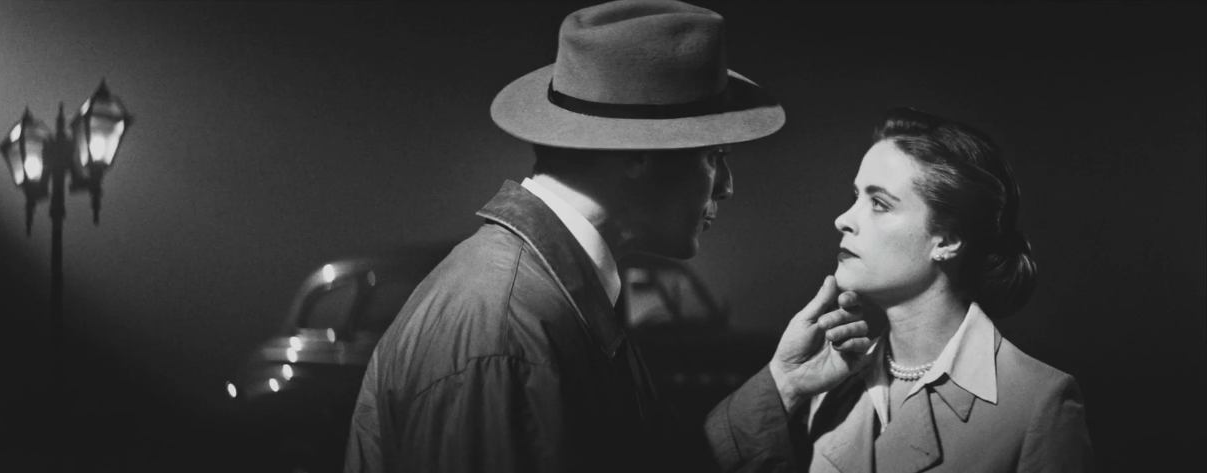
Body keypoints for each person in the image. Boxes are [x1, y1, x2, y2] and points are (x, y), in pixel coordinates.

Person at [343, 1, 874, 472]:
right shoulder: (506, 330)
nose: (727, 186)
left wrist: (783, 383)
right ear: (639, 154)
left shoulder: (545, 296)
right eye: (714, 156)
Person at [709, 108, 1095, 472]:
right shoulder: (831, 384)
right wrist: (787, 381)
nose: (843, 219)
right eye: (856, 197)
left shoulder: (1039, 404)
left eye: (879, 203)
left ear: (947, 240)